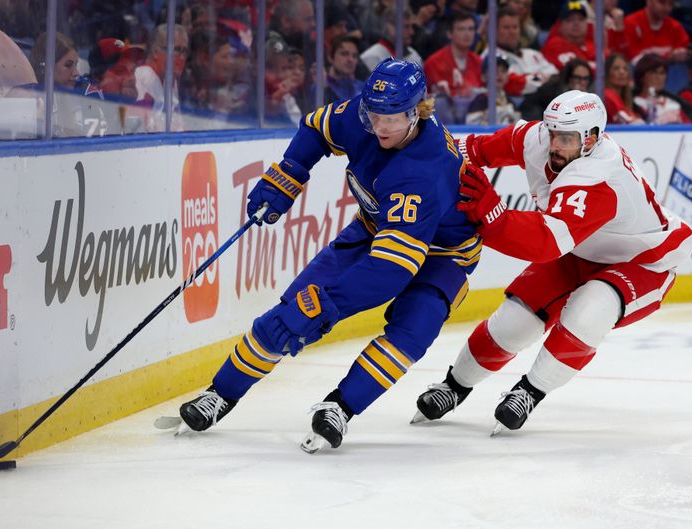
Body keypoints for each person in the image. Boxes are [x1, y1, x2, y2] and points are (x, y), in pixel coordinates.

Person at [176, 58, 481, 453]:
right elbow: (317, 128)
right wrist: (291, 170)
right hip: (375, 227)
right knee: (288, 315)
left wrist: (328, 304)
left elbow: (390, 271)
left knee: (412, 329)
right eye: (374, 114)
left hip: (444, 253)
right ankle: (220, 394)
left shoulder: (423, 172)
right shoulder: (363, 115)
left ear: (418, 111)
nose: (380, 126)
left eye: (392, 118)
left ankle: (341, 407)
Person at [412, 90, 692, 434]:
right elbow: (472, 150)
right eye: (552, 132)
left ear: (591, 138)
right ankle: (454, 386)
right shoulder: (537, 138)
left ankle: (530, 392)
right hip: (577, 248)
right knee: (513, 321)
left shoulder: (599, 177)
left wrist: (492, 213)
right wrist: (416, 148)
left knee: (592, 309)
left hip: (642, 260)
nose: (555, 145)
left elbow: (544, 242)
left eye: (566, 138)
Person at [485, 7, 557, 98]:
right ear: (494, 30)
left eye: (515, 27)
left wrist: (531, 78)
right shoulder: (490, 56)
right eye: (506, 28)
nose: (512, 32)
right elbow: (511, 82)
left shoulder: (533, 54)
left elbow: (555, 76)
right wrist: (542, 78)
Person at [134, 23, 189, 132]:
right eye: (176, 50)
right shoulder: (145, 75)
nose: (182, 57)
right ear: (155, 52)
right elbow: (142, 129)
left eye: (185, 51)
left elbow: (178, 125)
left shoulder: (170, 80)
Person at [424, 12, 483, 97]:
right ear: (449, 34)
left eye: (471, 29)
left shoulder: (479, 62)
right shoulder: (434, 63)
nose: (467, 34)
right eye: (461, 29)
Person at [519, 58, 592, 121]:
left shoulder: (588, 97)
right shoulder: (550, 91)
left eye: (585, 78)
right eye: (577, 78)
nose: (582, 82)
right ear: (568, 77)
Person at [632, 53, 692, 124]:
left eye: (662, 73)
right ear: (641, 77)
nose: (658, 77)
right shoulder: (632, 104)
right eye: (653, 73)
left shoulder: (676, 103)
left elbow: (690, 128)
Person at [623, 0, 689, 64]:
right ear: (648, 1)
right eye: (662, 2)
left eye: (670, 4)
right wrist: (668, 57)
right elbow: (633, 59)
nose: (666, 8)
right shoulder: (631, 23)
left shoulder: (676, 27)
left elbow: (683, 52)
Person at [541, 1, 596, 71]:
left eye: (581, 19)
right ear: (560, 25)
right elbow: (573, 72)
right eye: (570, 20)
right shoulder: (555, 45)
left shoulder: (592, 45)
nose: (576, 23)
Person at [603, 52, 644, 124]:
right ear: (607, 73)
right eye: (616, 69)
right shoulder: (607, 95)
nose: (622, 72)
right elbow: (629, 122)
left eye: (625, 69)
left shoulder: (626, 99)